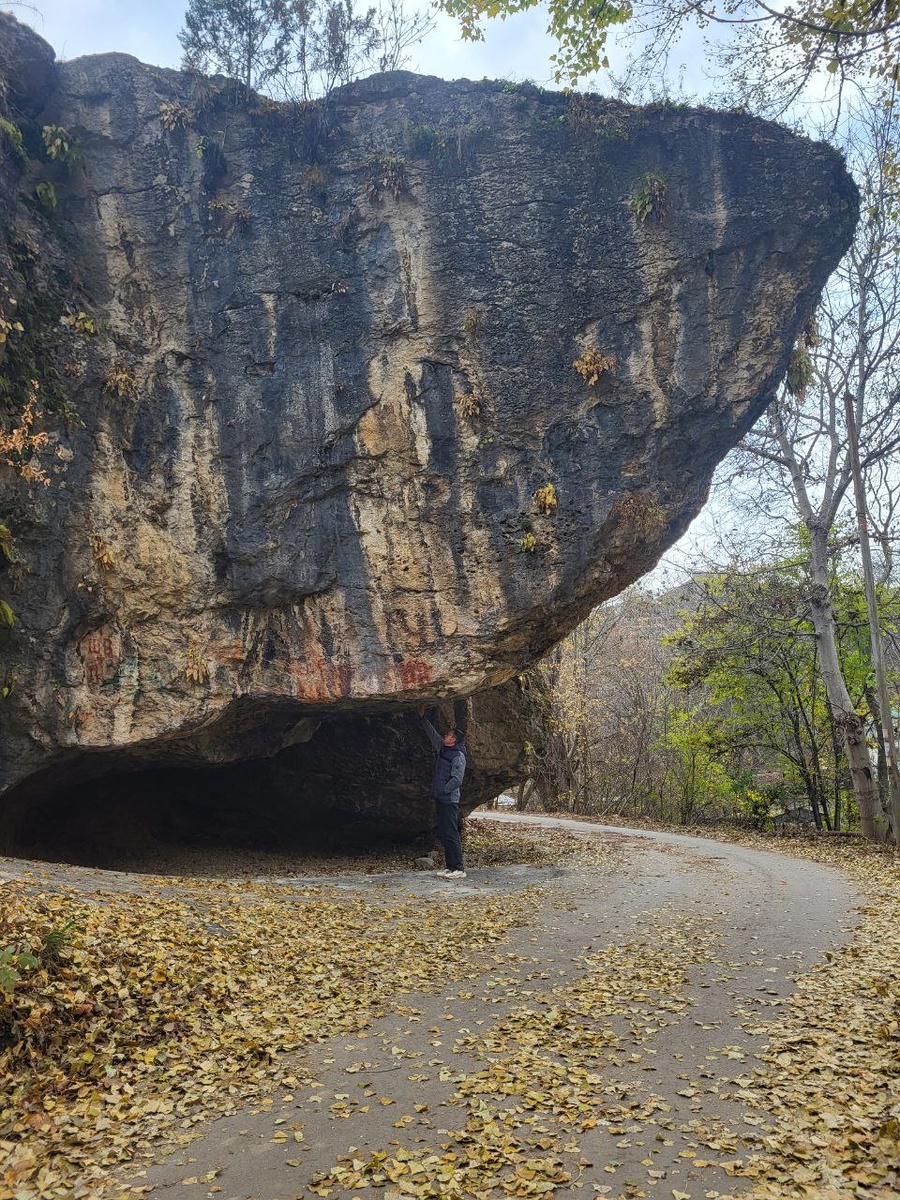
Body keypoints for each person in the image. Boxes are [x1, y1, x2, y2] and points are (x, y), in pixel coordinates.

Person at [418, 707, 467, 878]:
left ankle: (458, 869)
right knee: (445, 833)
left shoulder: (458, 755)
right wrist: (423, 718)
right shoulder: (444, 749)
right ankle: (450, 867)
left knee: (452, 833)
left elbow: (457, 779)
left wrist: (443, 790)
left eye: (449, 735)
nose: (445, 735)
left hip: (449, 800)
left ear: (454, 740)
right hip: (441, 798)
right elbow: (432, 735)